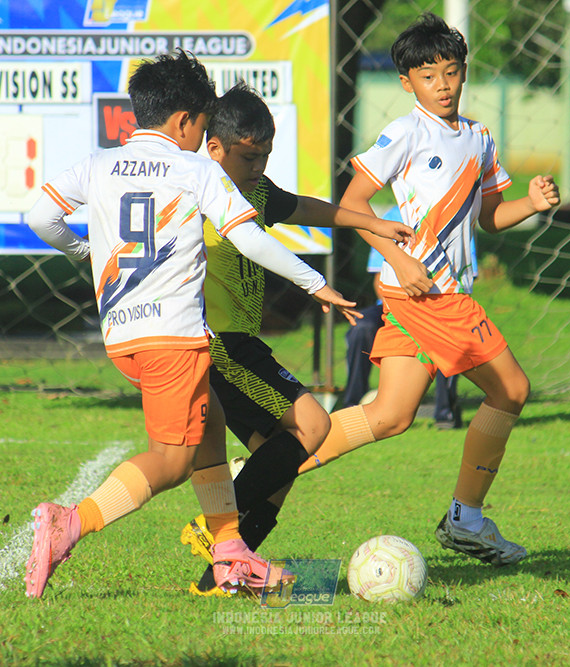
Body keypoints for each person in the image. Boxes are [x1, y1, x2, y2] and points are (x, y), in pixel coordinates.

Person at [21, 50, 359, 598]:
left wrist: (82, 249)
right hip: (174, 338)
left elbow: (41, 216)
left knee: (208, 429)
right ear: (185, 121)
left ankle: (230, 554)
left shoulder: (98, 164)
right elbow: (248, 235)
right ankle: (72, 522)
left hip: (123, 336)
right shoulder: (194, 168)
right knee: (172, 460)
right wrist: (313, 282)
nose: (204, 137)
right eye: (203, 124)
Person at [298, 12, 560, 566]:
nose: (441, 85)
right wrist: (397, 256)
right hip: (430, 297)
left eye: (450, 72)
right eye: (427, 76)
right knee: (510, 390)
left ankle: (269, 463)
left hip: (421, 296)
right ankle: (466, 519)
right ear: (406, 84)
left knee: (390, 414)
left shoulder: (479, 138)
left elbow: (490, 216)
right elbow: (351, 205)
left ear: (463, 73)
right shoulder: (405, 133)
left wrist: (531, 206)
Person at [178, 82, 415, 596]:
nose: (258, 165)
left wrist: (369, 221)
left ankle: (219, 581)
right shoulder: (198, 193)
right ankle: (216, 529)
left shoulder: (257, 192)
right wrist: (315, 284)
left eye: (265, 154)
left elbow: (306, 208)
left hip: (241, 343)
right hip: (218, 343)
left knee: (277, 463)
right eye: (249, 156)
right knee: (313, 422)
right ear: (213, 148)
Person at [340, 244, 462, 430]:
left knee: (448, 334)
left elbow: (462, 279)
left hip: (436, 305)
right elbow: (379, 282)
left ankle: (446, 413)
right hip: (391, 304)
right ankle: (352, 408)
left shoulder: (458, 219)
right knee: (362, 326)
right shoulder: (390, 218)